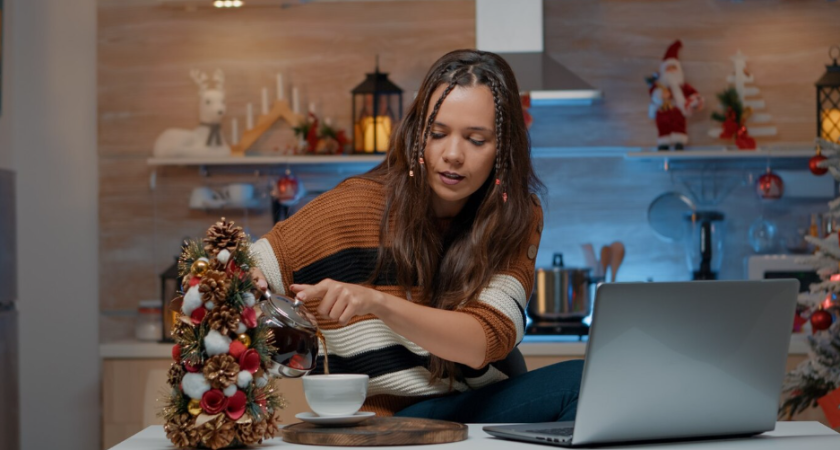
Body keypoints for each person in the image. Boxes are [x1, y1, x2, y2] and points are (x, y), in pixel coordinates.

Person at [250, 49, 583, 423]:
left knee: (588, 384)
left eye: (476, 140)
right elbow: (243, 272)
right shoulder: (353, 205)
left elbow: (482, 342)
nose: (452, 154)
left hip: (483, 406)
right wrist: (249, 285)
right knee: (578, 384)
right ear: (416, 136)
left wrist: (376, 302)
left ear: (503, 150)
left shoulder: (516, 215)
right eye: (437, 134)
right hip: (391, 424)